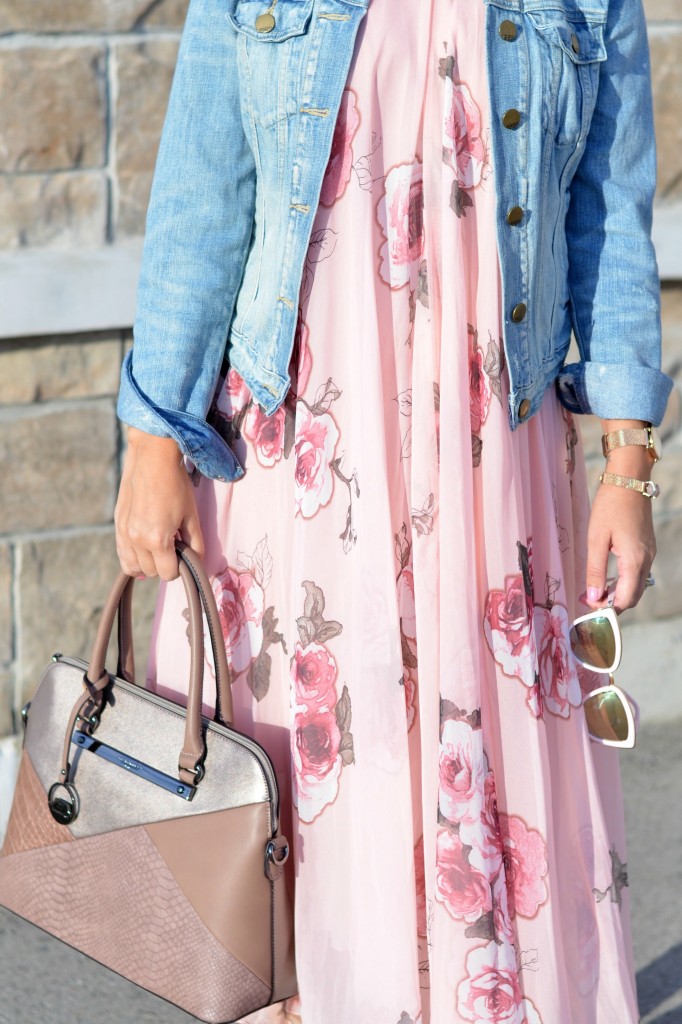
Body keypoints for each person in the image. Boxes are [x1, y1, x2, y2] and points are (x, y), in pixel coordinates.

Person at [114, 0, 672, 1020]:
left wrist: (629, 462)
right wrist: (156, 436)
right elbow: (204, 189)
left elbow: (610, 217)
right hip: (303, 456)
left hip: (490, 465)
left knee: (481, 783)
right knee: (319, 791)